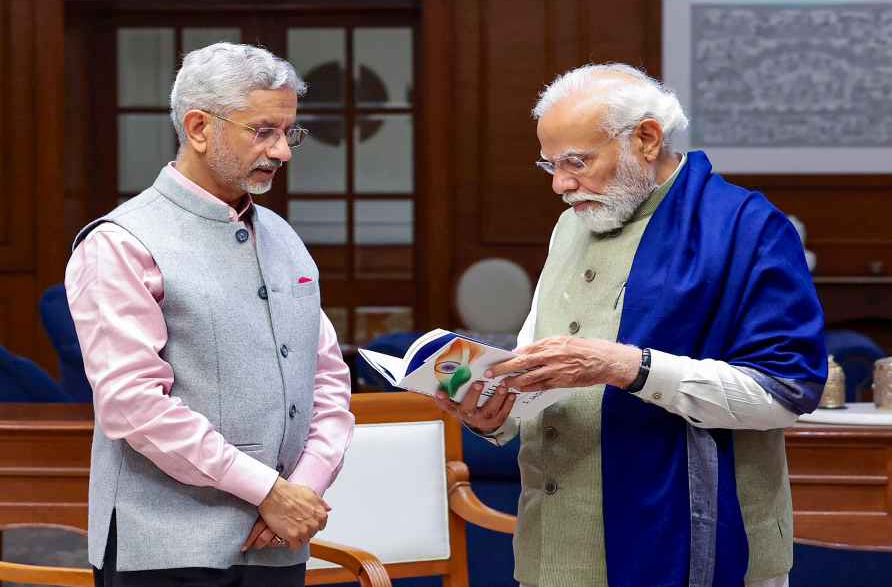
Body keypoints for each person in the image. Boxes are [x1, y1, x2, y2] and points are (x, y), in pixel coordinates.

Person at [434, 64, 826, 587]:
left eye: (576, 162)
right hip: (553, 548)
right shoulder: (572, 224)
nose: (560, 185)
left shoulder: (747, 228)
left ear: (646, 138)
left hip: (695, 546)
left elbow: (786, 392)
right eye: (548, 164)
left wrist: (629, 367)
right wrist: (489, 411)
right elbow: (539, 371)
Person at [65, 43, 354, 587]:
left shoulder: (285, 239)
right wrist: (268, 491)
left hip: (277, 546)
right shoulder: (121, 243)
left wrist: (303, 491)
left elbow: (329, 383)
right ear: (199, 127)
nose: (283, 152)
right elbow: (133, 404)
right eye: (263, 130)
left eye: (289, 133)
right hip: (164, 554)